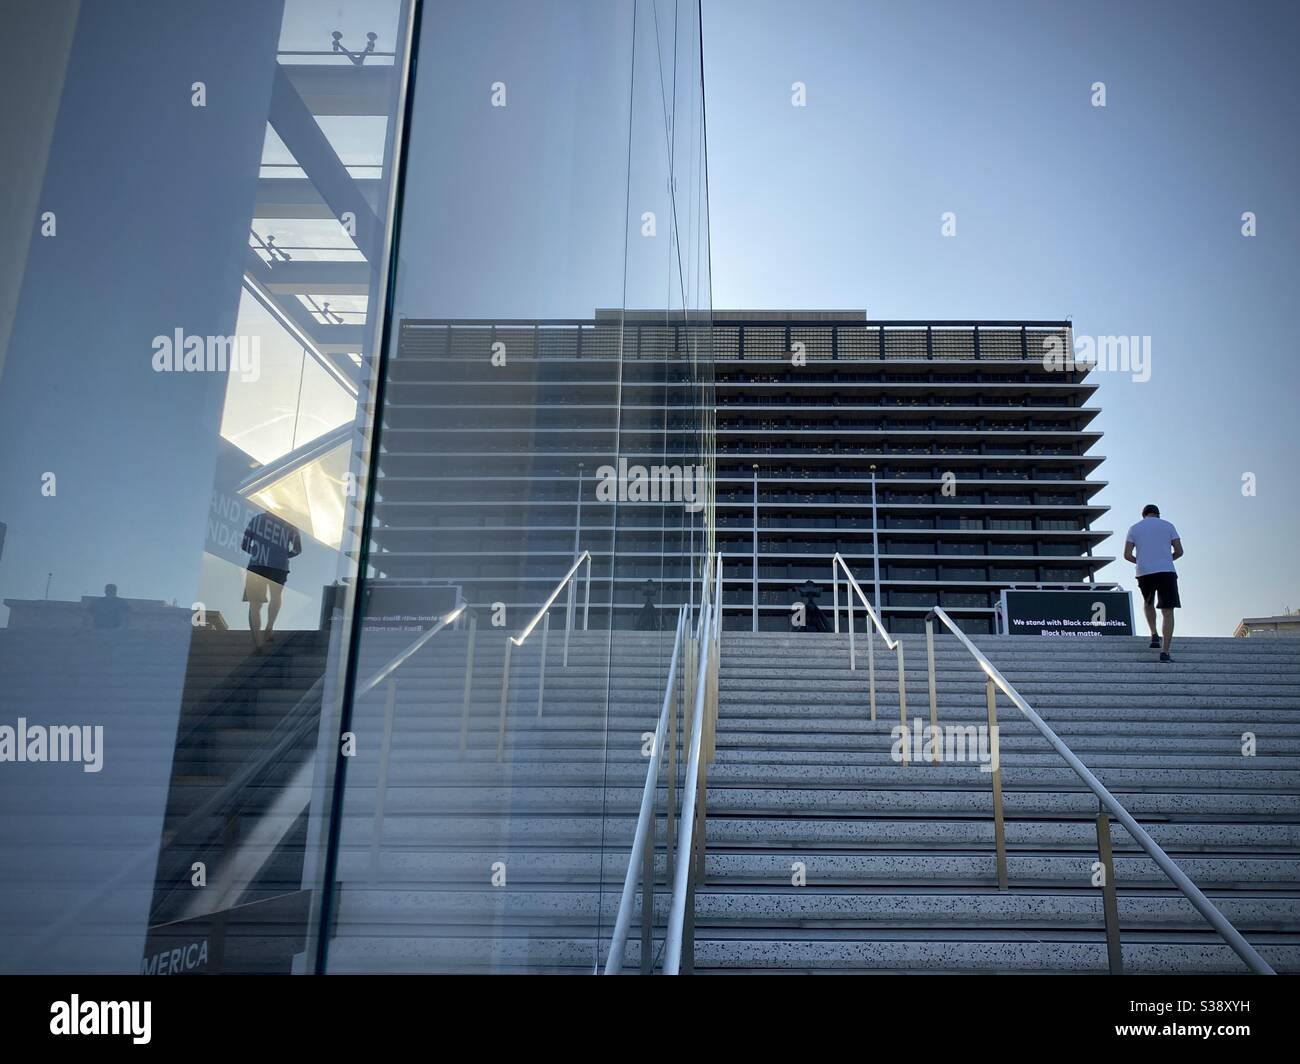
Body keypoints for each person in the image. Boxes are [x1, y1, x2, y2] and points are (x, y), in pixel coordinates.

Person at [1124, 504, 1183, 662]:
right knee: (1167, 610)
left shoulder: (1134, 529)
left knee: (1148, 602)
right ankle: (1165, 651)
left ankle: (1154, 634)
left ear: (1143, 515)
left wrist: (1142, 561)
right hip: (1166, 571)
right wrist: (1167, 559)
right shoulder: (1168, 526)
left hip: (1144, 572)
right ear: (1158, 514)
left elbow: (1127, 555)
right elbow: (1179, 551)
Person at [241, 509, 302, 652]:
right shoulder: (290, 523)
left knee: (254, 604)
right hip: (279, 566)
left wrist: (258, 553)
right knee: (276, 596)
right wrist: (282, 555)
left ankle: (257, 642)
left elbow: (244, 544)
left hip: (257, 564)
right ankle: (269, 627)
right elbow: (298, 549)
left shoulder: (256, 519)